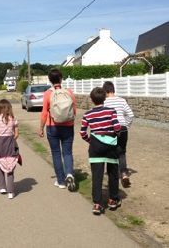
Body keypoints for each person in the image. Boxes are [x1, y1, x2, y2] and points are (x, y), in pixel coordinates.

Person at [80, 87, 122, 215]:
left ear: (92, 100)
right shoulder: (111, 111)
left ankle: (97, 204)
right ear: (105, 98)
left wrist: (91, 141)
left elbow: (82, 133)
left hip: (95, 148)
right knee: (113, 174)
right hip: (111, 147)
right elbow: (117, 127)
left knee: (97, 176)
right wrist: (116, 134)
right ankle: (112, 199)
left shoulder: (87, 114)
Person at [39, 68, 77, 191]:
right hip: (68, 126)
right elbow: (74, 111)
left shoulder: (47, 94)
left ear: (50, 80)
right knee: (67, 152)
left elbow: (44, 113)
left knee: (56, 153)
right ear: (61, 79)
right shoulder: (69, 92)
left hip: (52, 126)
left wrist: (41, 128)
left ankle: (61, 181)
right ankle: (69, 173)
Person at [103, 81, 134, 188]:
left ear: (105, 91)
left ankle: (113, 174)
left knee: (110, 151)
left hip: (111, 129)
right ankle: (124, 173)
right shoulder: (122, 100)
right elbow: (130, 114)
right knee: (121, 152)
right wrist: (127, 125)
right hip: (123, 128)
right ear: (113, 90)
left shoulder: (104, 102)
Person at [0, 99, 19, 199]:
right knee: (10, 167)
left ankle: (2, 187)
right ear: (9, 108)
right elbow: (16, 134)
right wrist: (10, 139)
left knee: (0, 164)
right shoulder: (13, 119)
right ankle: (11, 192)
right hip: (10, 145)